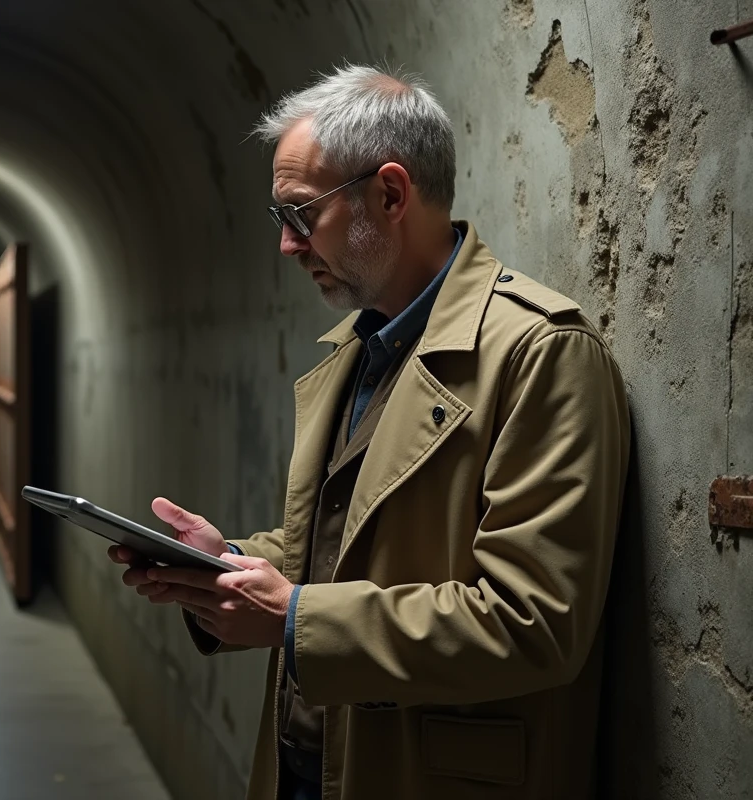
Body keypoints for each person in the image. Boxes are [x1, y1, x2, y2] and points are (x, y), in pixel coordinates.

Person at [109, 63, 630, 800]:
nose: (287, 246)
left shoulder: (541, 354)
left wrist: (292, 620)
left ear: (389, 194)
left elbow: (535, 622)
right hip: (310, 765)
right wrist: (225, 564)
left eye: (300, 216)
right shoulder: (361, 347)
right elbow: (340, 550)